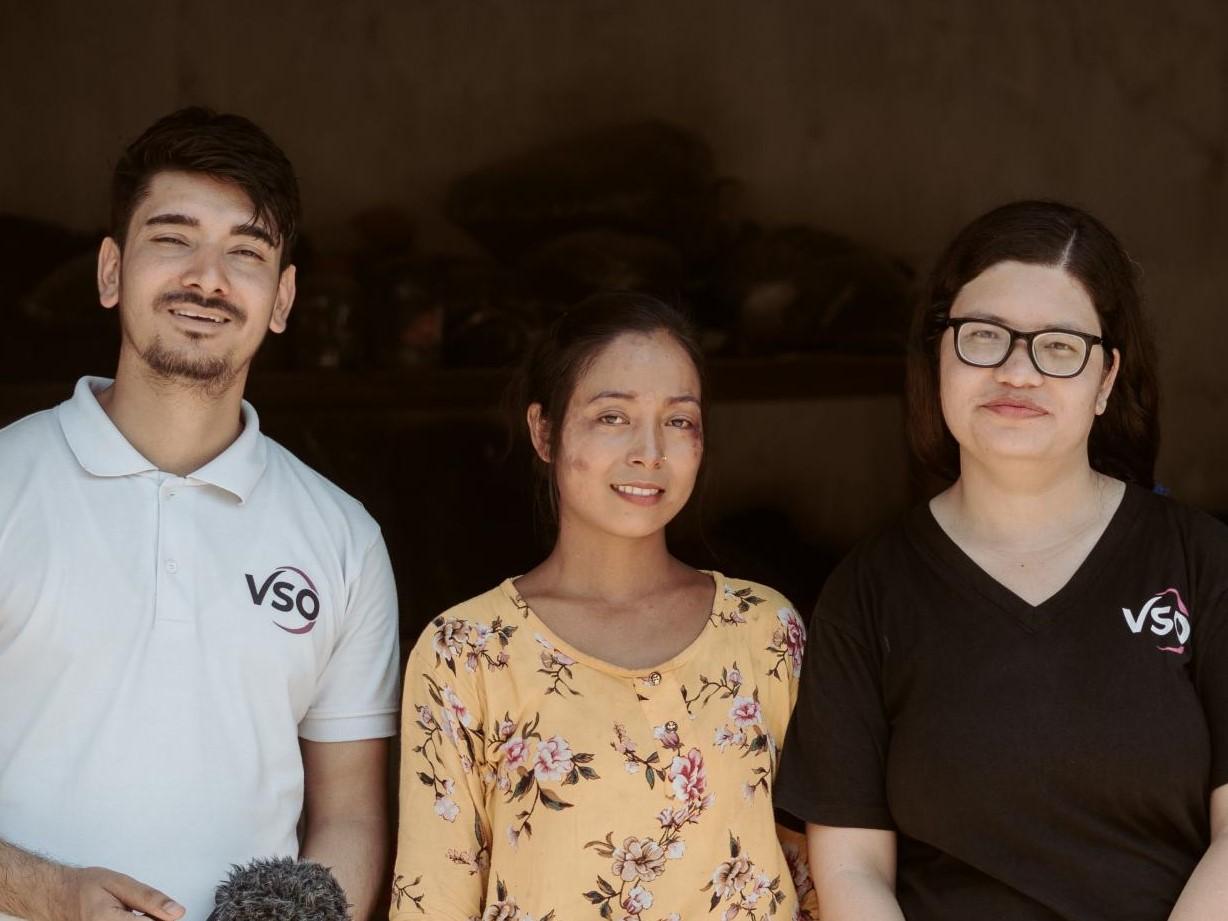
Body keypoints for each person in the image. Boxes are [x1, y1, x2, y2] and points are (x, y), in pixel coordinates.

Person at [775, 200, 1228, 920]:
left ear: (1107, 377)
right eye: (985, 337)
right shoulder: (869, 591)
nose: (1018, 372)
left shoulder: (1203, 562)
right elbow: (854, 866)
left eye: (1058, 346)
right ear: (939, 356)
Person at [0, 108, 399, 921]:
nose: (208, 278)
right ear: (111, 272)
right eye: (173, 237)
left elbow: (350, 815)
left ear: (282, 298)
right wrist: (50, 893)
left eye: (245, 252)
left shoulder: (344, 540)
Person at [389, 292, 818, 921]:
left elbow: (816, 876)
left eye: (679, 420)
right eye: (612, 416)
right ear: (544, 431)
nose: (650, 451)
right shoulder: (468, 651)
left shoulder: (763, 632)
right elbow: (435, 900)